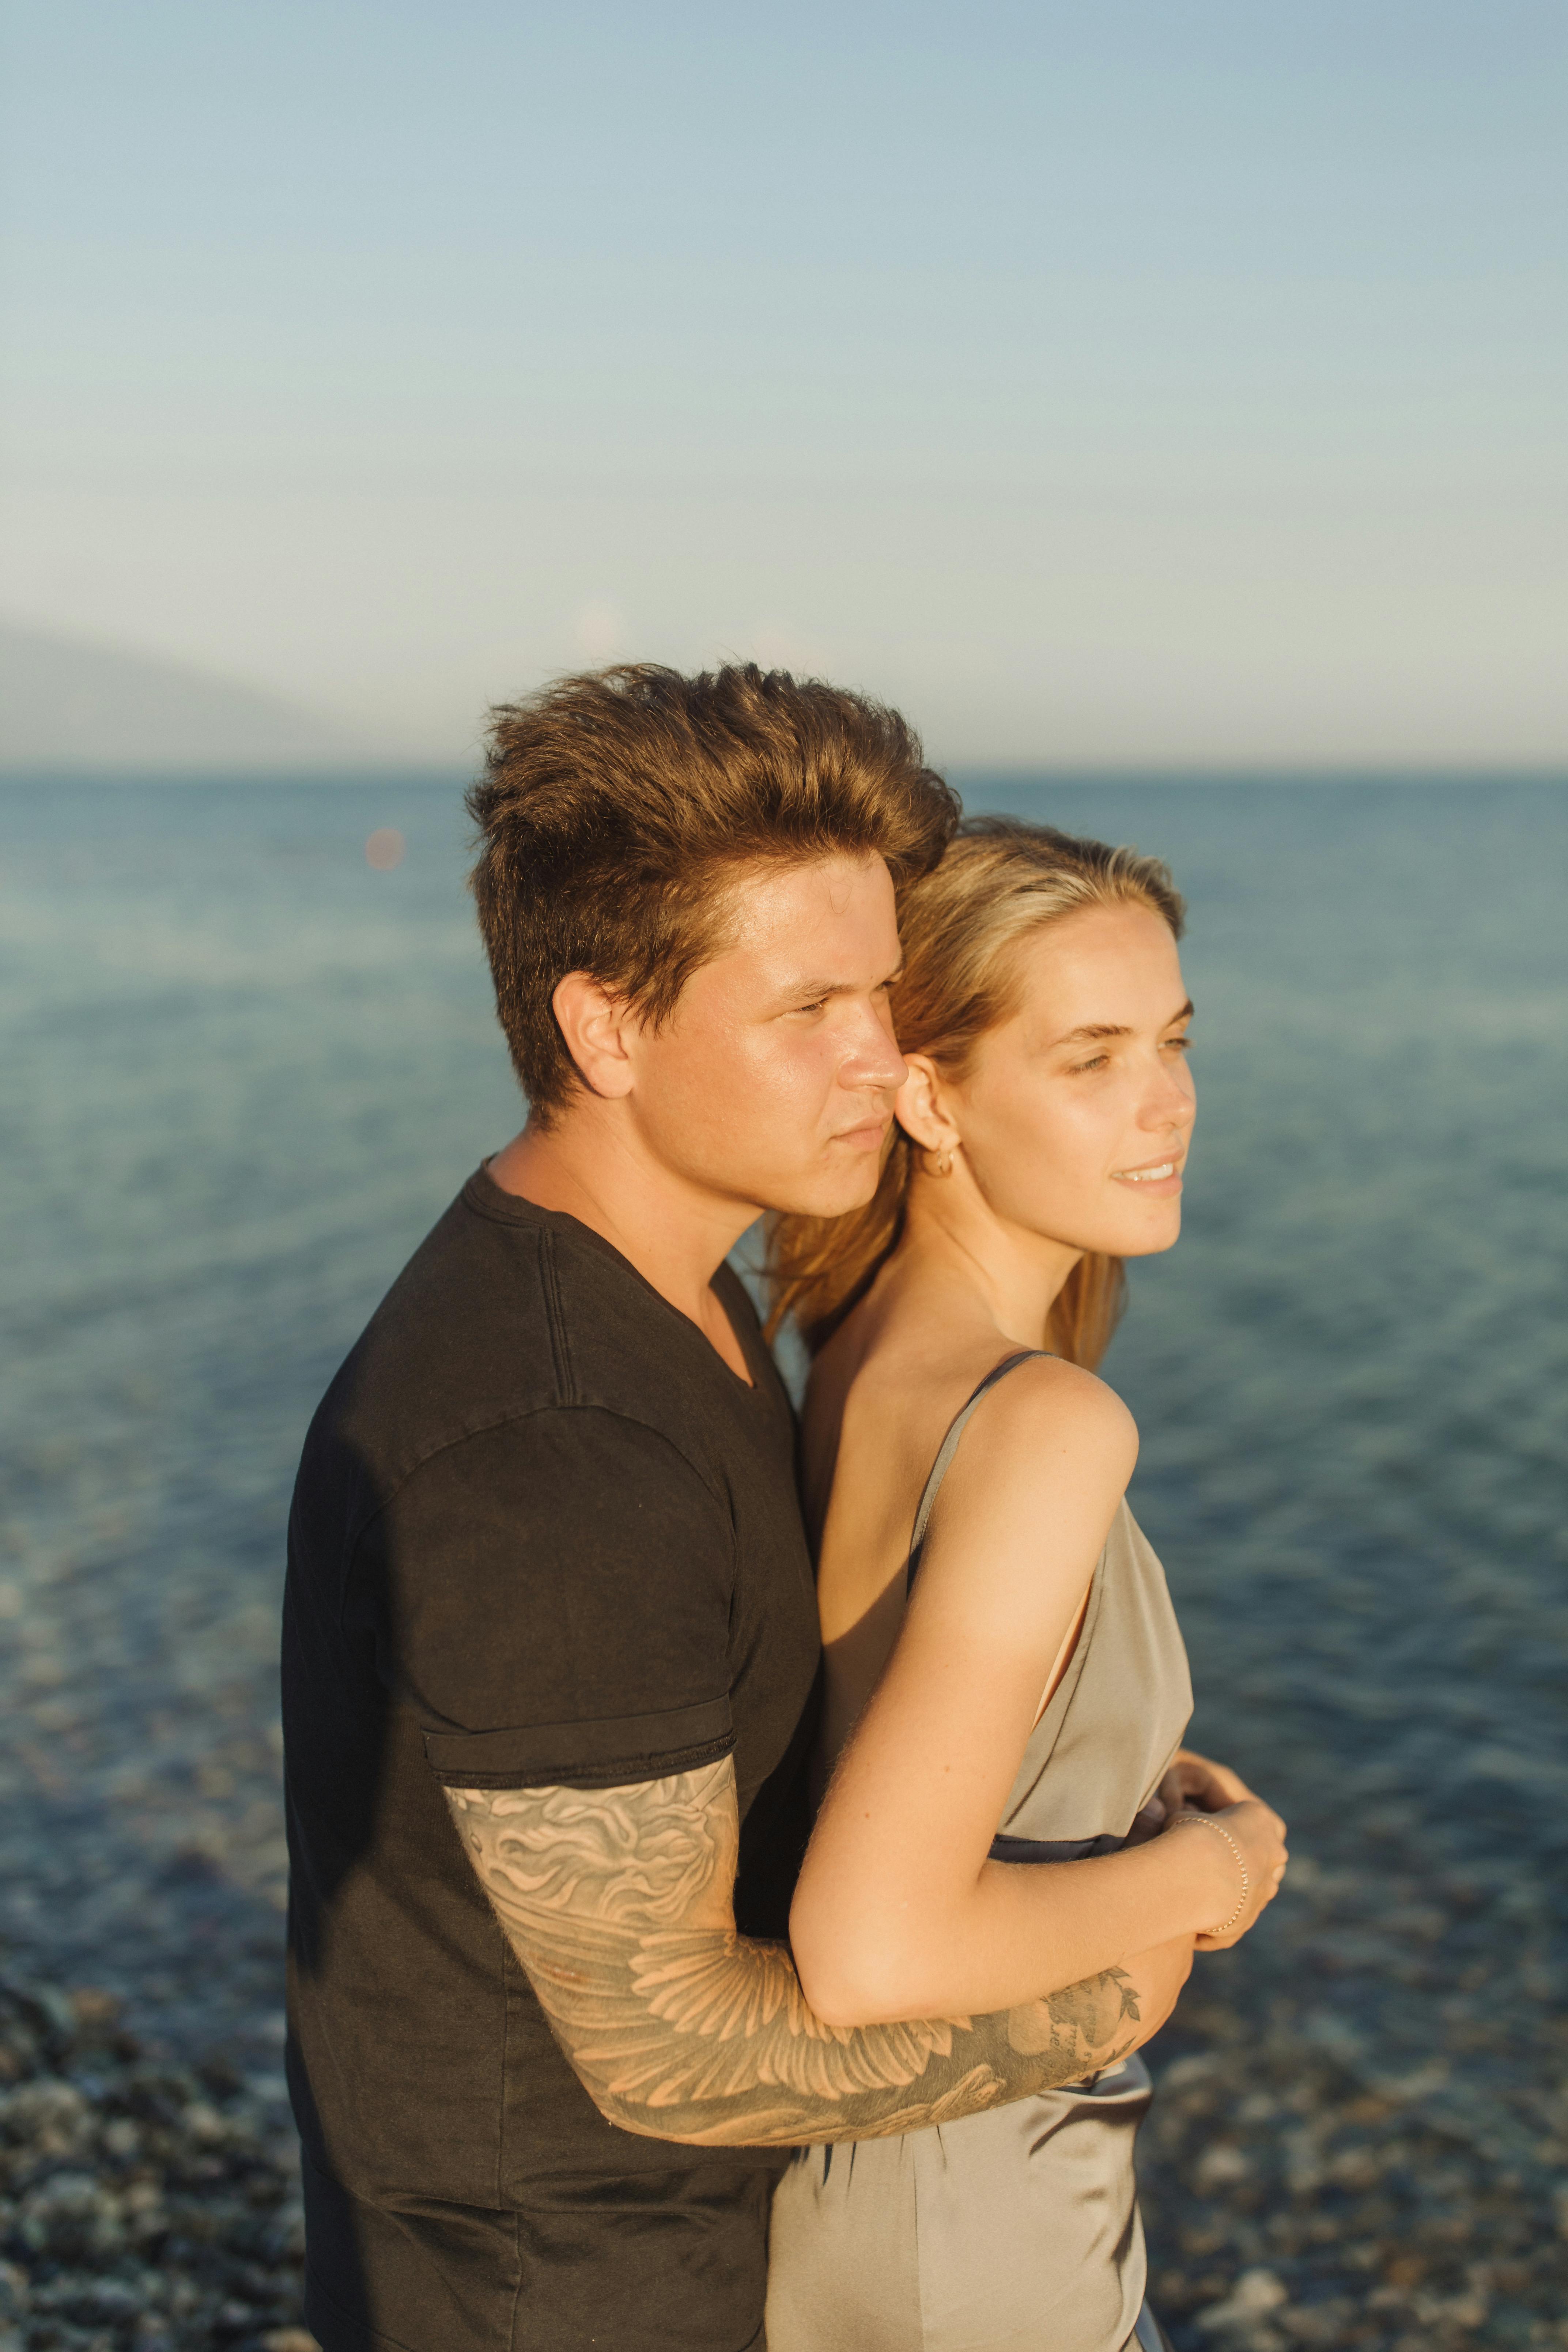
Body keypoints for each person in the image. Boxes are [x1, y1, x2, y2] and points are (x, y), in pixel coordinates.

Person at [281, 671, 1214, 2352]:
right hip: (562, 2298)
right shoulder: (547, 1446)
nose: (879, 1054)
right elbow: (672, 2048)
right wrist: (1115, 1976)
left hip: (715, 2261)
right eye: (809, 1013)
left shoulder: (687, 1301)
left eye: (881, 995)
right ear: (605, 1028)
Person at [764, 817, 1289, 2352]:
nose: (1167, 1103)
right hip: (973, 2243)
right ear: (929, 1094)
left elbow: (897, 1734)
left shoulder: (850, 1347)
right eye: (1090, 1058)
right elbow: (868, 1947)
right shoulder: (1044, 1423)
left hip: (889, 2212)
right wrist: (1215, 1874)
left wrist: (1125, 1769)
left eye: (1174, 1042)